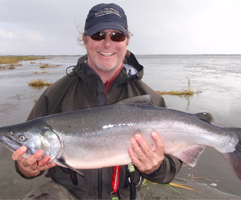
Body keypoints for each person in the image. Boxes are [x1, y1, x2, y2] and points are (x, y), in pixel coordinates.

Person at [12, 3, 182, 199]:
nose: (107, 44)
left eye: (117, 36)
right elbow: (28, 152)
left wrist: (156, 168)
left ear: (126, 41)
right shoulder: (55, 95)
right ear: (85, 40)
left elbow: (171, 168)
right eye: (98, 35)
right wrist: (26, 169)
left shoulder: (151, 100)